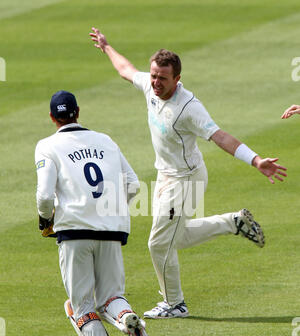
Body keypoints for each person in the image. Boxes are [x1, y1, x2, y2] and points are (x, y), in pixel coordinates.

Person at [89, 28, 287, 320]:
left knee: (158, 244)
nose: (155, 82)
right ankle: (233, 222)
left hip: (186, 180)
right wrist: (106, 47)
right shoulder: (150, 85)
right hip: (166, 177)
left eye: (162, 78)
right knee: (175, 239)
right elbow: (126, 70)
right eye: (154, 75)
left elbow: (220, 137)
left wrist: (255, 159)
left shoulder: (189, 108)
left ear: (177, 79)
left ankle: (174, 303)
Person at [35, 90, 153, 336]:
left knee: (81, 307)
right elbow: (134, 184)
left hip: (74, 232)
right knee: (112, 297)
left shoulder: (47, 145)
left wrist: (45, 220)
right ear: (78, 112)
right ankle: (127, 318)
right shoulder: (106, 140)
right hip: (112, 230)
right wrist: (109, 211)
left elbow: (45, 195)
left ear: (52, 117)